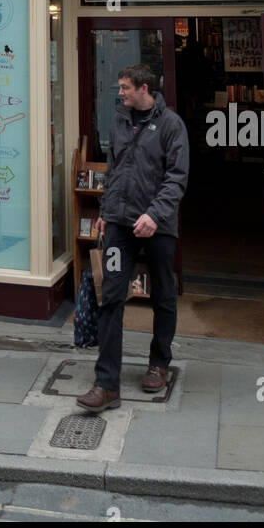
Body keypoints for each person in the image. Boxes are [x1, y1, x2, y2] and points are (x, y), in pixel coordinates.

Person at [77, 64, 189, 410]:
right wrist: (105, 214)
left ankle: (159, 363)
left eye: (125, 87)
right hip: (120, 225)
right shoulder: (120, 120)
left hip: (159, 226)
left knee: (163, 295)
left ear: (144, 89)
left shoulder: (171, 125)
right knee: (110, 295)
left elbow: (177, 178)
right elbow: (114, 169)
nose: (120, 93)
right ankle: (106, 384)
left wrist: (154, 215)